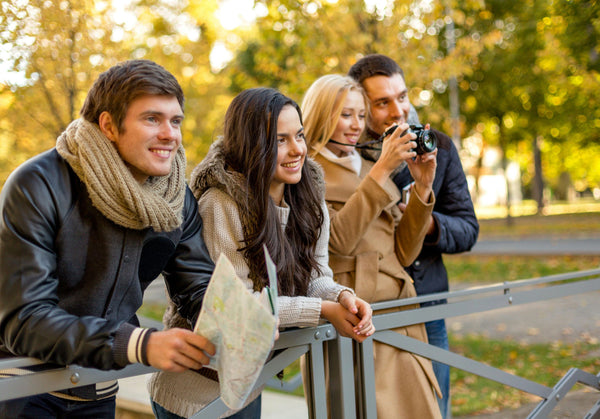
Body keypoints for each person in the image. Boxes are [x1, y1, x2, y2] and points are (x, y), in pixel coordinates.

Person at [0, 59, 217, 418]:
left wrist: (242, 319)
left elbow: (198, 288)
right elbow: (24, 319)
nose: (170, 134)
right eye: (152, 119)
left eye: (175, 120)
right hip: (22, 386)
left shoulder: (176, 197)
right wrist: (136, 343)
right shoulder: (37, 184)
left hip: (98, 388)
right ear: (108, 125)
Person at [148, 87, 375, 419]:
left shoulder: (309, 201)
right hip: (195, 388)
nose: (298, 149)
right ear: (250, 145)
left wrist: (341, 297)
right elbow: (242, 306)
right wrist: (322, 310)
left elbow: (316, 276)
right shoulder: (220, 205)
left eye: (299, 135)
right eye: (279, 140)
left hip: (247, 381)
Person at [302, 74, 442, 418]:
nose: (356, 125)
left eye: (361, 116)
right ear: (321, 115)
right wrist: (381, 171)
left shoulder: (366, 165)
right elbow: (338, 241)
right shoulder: (306, 171)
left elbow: (405, 254)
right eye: (345, 114)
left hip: (400, 314)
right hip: (355, 318)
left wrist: (423, 187)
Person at [348, 54, 480, 418]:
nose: (398, 110)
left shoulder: (440, 146)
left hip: (426, 307)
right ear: (360, 104)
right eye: (382, 102)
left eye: (402, 97)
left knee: (434, 411)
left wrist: (427, 221)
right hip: (367, 313)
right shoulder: (344, 153)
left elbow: (468, 229)